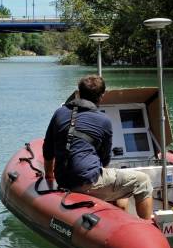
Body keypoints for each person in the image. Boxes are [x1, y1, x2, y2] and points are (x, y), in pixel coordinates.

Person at [43, 75, 154, 219]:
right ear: (102, 96)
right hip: (86, 182)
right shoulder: (103, 120)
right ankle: (146, 226)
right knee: (143, 181)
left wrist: (49, 176)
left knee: (116, 185)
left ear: (78, 93)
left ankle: (117, 210)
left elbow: (48, 149)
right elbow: (105, 158)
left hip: (63, 179)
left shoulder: (59, 113)